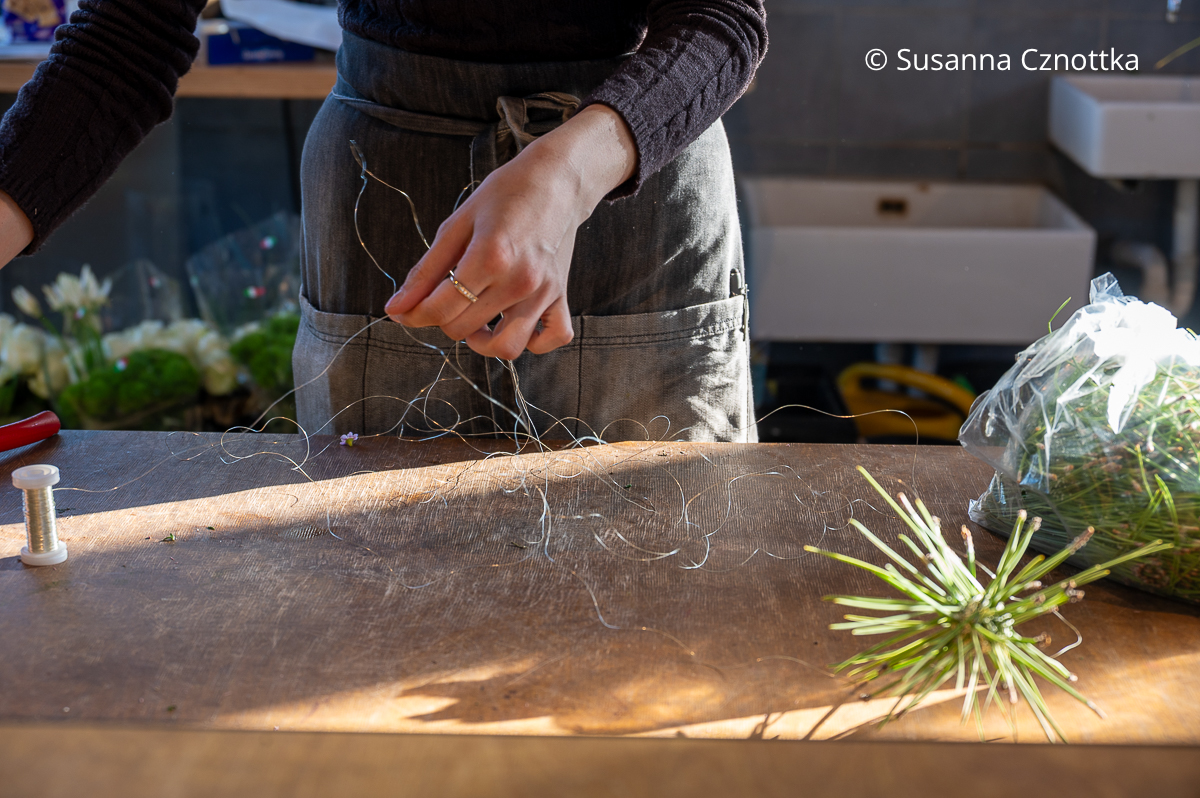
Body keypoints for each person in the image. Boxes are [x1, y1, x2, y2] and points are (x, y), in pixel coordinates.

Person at [0, 1, 767, 443]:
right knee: (368, 604)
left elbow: (723, 19)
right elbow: (123, 40)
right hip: (383, 205)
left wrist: (567, 175)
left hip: (629, 189)